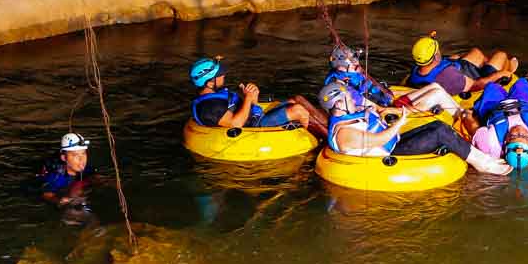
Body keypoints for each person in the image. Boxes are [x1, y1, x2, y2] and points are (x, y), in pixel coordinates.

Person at [320, 78, 509, 174]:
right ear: (338, 104)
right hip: (392, 151)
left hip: (394, 142)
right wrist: (400, 122)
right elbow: (381, 139)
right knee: (440, 132)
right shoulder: (344, 134)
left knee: (437, 125)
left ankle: (477, 154)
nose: (352, 100)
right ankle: (484, 163)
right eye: (348, 98)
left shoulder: (345, 116)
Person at [323, 45, 463, 117]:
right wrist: (393, 110)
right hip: (387, 112)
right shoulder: (344, 88)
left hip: (389, 103)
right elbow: (374, 109)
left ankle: (462, 113)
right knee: (436, 95)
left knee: (436, 86)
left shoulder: (351, 75)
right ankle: (463, 118)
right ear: (341, 66)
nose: (358, 63)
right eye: (354, 62)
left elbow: (376, 92)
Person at [189, 57, 317, 130]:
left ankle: (325, 127)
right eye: (220, 75)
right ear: (210, 82)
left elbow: (241, 111)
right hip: (252, 128)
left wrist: (251, 97)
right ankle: (313, 141)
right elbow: (236, 124)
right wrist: (248, 98)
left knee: (294, 101)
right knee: (299, 110)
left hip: (253, 119)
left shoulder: (214, 96)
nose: (224, 75)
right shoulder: (210, 107)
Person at [404, 33, 517, 96]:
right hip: (471, 78)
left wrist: (450, 60)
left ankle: (487, 63)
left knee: (476, 52)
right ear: (435, 56)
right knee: (501, 55)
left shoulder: (417, 67)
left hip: (458, 68)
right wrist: (498, 75)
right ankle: (509, 68)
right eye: (437, 50)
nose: (439, 51)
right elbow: (475, 85)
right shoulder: (448, 76)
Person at [38, 132, 93, 200]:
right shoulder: (57, 178)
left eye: (83, 153)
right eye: (75, 155)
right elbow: (46, 194)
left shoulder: (85, 168)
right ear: (64, 158)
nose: (81, 159)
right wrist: (59, 201)